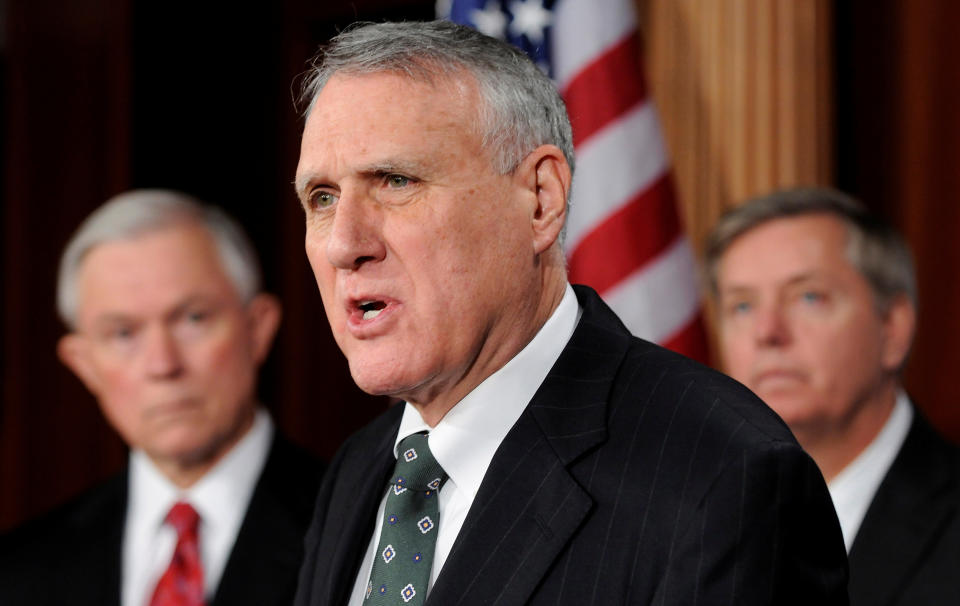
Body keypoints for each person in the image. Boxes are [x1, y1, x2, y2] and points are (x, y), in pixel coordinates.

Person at [291, 20, 847, 606]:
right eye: (322, 198)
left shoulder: (722, 479)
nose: (343, 244)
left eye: (395, 181)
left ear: (540, 199)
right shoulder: (361, 469)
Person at [0, 190, 324, 606]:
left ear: (258, 329)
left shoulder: (356, 530)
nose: (162, 364)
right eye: (123, 334)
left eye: (193, 318)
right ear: (83, 365)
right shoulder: (19, 574)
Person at [706, 186, 960, 605]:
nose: (767, 332)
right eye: (742, 306)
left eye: (809, 297)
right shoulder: (684, 518)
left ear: (893, 327)